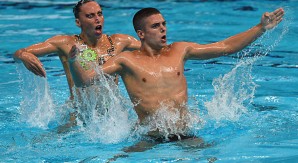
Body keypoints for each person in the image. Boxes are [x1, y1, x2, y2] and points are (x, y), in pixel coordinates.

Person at [68, 7, 284, 141]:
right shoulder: (127, 60)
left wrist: (260, 28)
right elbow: (85, 81)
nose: (163, 29)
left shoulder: (180, 50)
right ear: (141, 34)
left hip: (186, 134)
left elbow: (226, 46)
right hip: (148, 137)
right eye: (156, 26)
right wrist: (73, 61)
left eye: (164, 24)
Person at [13, 0, 140, 98]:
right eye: (90, 16)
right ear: (78, 22)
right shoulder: (66, 43)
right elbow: (19, 53)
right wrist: (23, 55)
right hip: (78, 118)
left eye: (100, 14)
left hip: (110, 117)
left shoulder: (119, 42)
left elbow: (153, 47)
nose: (97, 19)